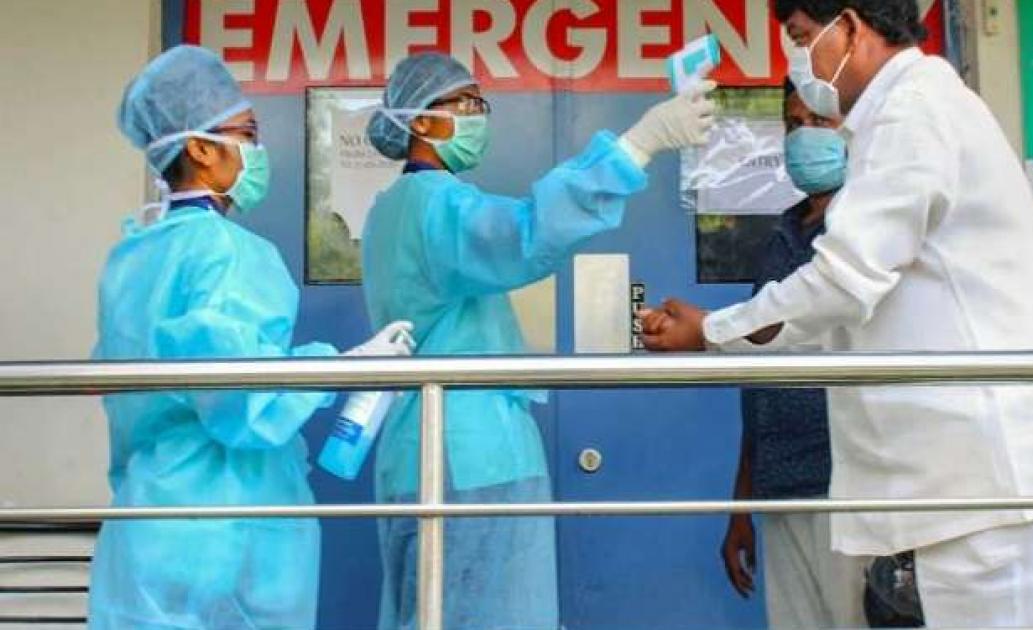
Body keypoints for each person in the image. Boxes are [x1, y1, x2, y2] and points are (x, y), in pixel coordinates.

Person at [637, 1, 1033, 626]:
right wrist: (723, 334)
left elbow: (843, 281)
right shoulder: (899, 116)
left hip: (1006, 472)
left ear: (850, 27)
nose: (798, 59)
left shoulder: (913, 111)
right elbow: (844, 315)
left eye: (800, 36)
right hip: (986, 477)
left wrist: (713, 332)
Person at [361, 52, 715, 630]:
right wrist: (639, 144)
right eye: (466, 103)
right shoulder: (432, 204)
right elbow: (526, 233)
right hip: (468, 455)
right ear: (420, 121)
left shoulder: (390, 210)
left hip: (422, 447)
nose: (479, 115)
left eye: (481, 103)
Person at [91, 45, 413, 629]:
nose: (257, 153)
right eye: (247, 134)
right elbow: (241, 401)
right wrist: (345, 365)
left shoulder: (132, 256)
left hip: (147, 513)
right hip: (223, 520)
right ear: (199, 148)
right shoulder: (226, 250)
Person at [721, 76, 867, 628]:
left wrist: (704, 330)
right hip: (783, 486)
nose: (803, 136)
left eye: (819, 122)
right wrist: (742, 505)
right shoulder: (780, 238)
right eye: (793, 124)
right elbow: (758, 384)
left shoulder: (869, 230)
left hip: (853, 486)